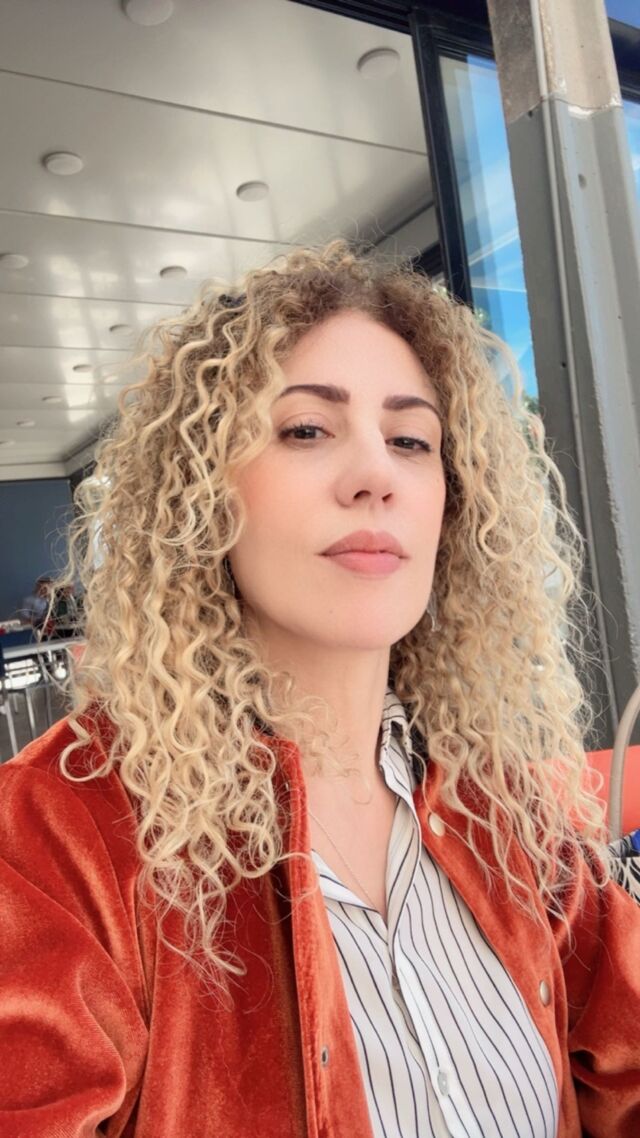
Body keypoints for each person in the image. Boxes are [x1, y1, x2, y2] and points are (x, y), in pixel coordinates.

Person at [0, 239, 638, 1138]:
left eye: (412, 440)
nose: (377, 475)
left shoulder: (504, 813)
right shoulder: (57, 835)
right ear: (202, 491)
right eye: (306, 429)